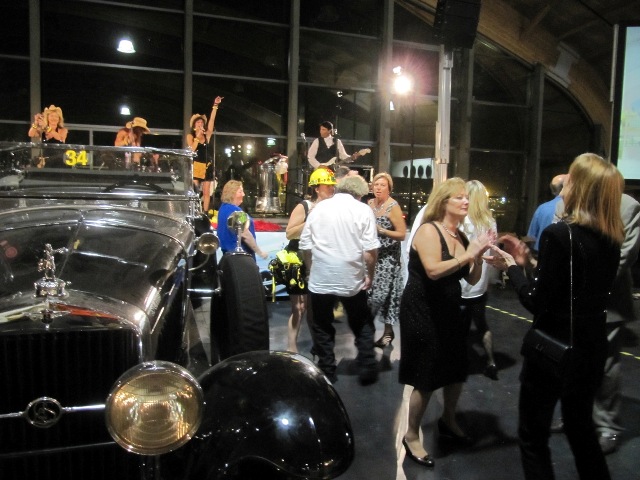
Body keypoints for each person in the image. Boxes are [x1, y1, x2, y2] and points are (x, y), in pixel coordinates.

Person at [485, 153, 624, 480]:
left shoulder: (559, 234)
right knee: (582, 432)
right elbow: (572, 290)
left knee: (533, 437)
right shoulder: (610, 238)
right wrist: (531, 264)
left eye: (571, 177)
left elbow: (537, 302)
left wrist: (512, 268)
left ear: (581, 186)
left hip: (552, 352)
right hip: (590, 350)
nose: (565, 183)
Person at [399, 177, 493, 468]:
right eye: (459, 197)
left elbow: (472, 279)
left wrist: (478, 258)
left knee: (455, 369)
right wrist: (469, 255)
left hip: (450, 309)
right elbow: (433, 270)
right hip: (422, 310)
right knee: (426, 375)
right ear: (443, 202)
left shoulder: (459, 235)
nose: (466, 201)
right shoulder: (429, 230)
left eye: (466, 197)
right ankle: (411, 435)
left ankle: (448, 419)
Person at [550, 192, 640, 454]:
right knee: (571, 361)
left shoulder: (626, 205)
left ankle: (607, 425)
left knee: (605, 365)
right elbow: (558, 246)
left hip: (608, 303)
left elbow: (625, 255)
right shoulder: (566, 202)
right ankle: (574, 414)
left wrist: (584, 285)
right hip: (571, 302)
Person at [299, 173, 380, 385]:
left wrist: (311, 269)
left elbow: (305, 245)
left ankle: (327, 369)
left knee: (321, 324)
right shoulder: (363, 210)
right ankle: (368, 365)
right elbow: (370, 251)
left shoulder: (318, 209)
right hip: (352, 277)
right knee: (361, 322)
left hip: (321, 277)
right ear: (360, 194)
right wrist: (369, 275)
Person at [284, 169, 336, 353]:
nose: (331, 188)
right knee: (299, 307)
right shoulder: (305, 206)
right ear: (316, 188)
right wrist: (312, 218)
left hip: (318, 259)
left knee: (316, 307)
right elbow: (290, 232)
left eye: (332, 185)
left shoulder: (331, 208)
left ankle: (319, 346)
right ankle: (291, 348)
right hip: (297, 257)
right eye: (327, 185)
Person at [460, 180, 499, 380]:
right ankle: (491, 361)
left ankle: (459, 364)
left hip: (462, 282)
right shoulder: (489, 222)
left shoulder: (461, 221)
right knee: (482, 323)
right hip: (481, 283)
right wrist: (490, 280)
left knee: (459, 327)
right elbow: (493, 254)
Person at [367, 172, 406, 348]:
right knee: (370, 295)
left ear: (389, 188)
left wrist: (381, 230)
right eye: (376, 184)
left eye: (382, 185)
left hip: (387, 260)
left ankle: (382, 332)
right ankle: (382, 333)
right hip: (371, 256)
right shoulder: (369, 204)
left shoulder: (393, 206)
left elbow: (402, 234)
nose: (378, 188)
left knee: (383, 297)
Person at [187, 96, 223, 214]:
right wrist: (197, 137)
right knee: (195, 191)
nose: (200, 124)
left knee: (207, 192)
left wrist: (215, 105)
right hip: (196, 165)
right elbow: (192, 149)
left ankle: (205, 213)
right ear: (194, 125)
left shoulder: (207, 135)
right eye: (198, 122)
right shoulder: (191, 136)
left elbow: (212, 120)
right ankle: (194, 211)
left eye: (202, 122)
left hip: (207, 165)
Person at [216, 180, 268, 260]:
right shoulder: (236, 212)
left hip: (227, 257)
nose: (243, 194)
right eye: (240, 192)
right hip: (241, 258)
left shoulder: (222, 209)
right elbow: (245, 234)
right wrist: (260, 252)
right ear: (232, 194)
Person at [527, 174, 566, 253]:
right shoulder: (575, 209)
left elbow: (531, 237)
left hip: (540, 254)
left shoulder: (542, 208)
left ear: (553, 191)